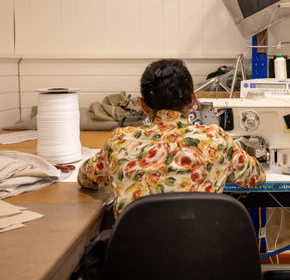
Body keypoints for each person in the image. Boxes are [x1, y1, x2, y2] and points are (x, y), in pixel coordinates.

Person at [78, 58, 266, 217]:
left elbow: (85, 177)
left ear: (143, 105)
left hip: (135, 258)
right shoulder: (216, 141)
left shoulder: (119, 142)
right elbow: (256, 175)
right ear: (193, 100)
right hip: (202, 257)